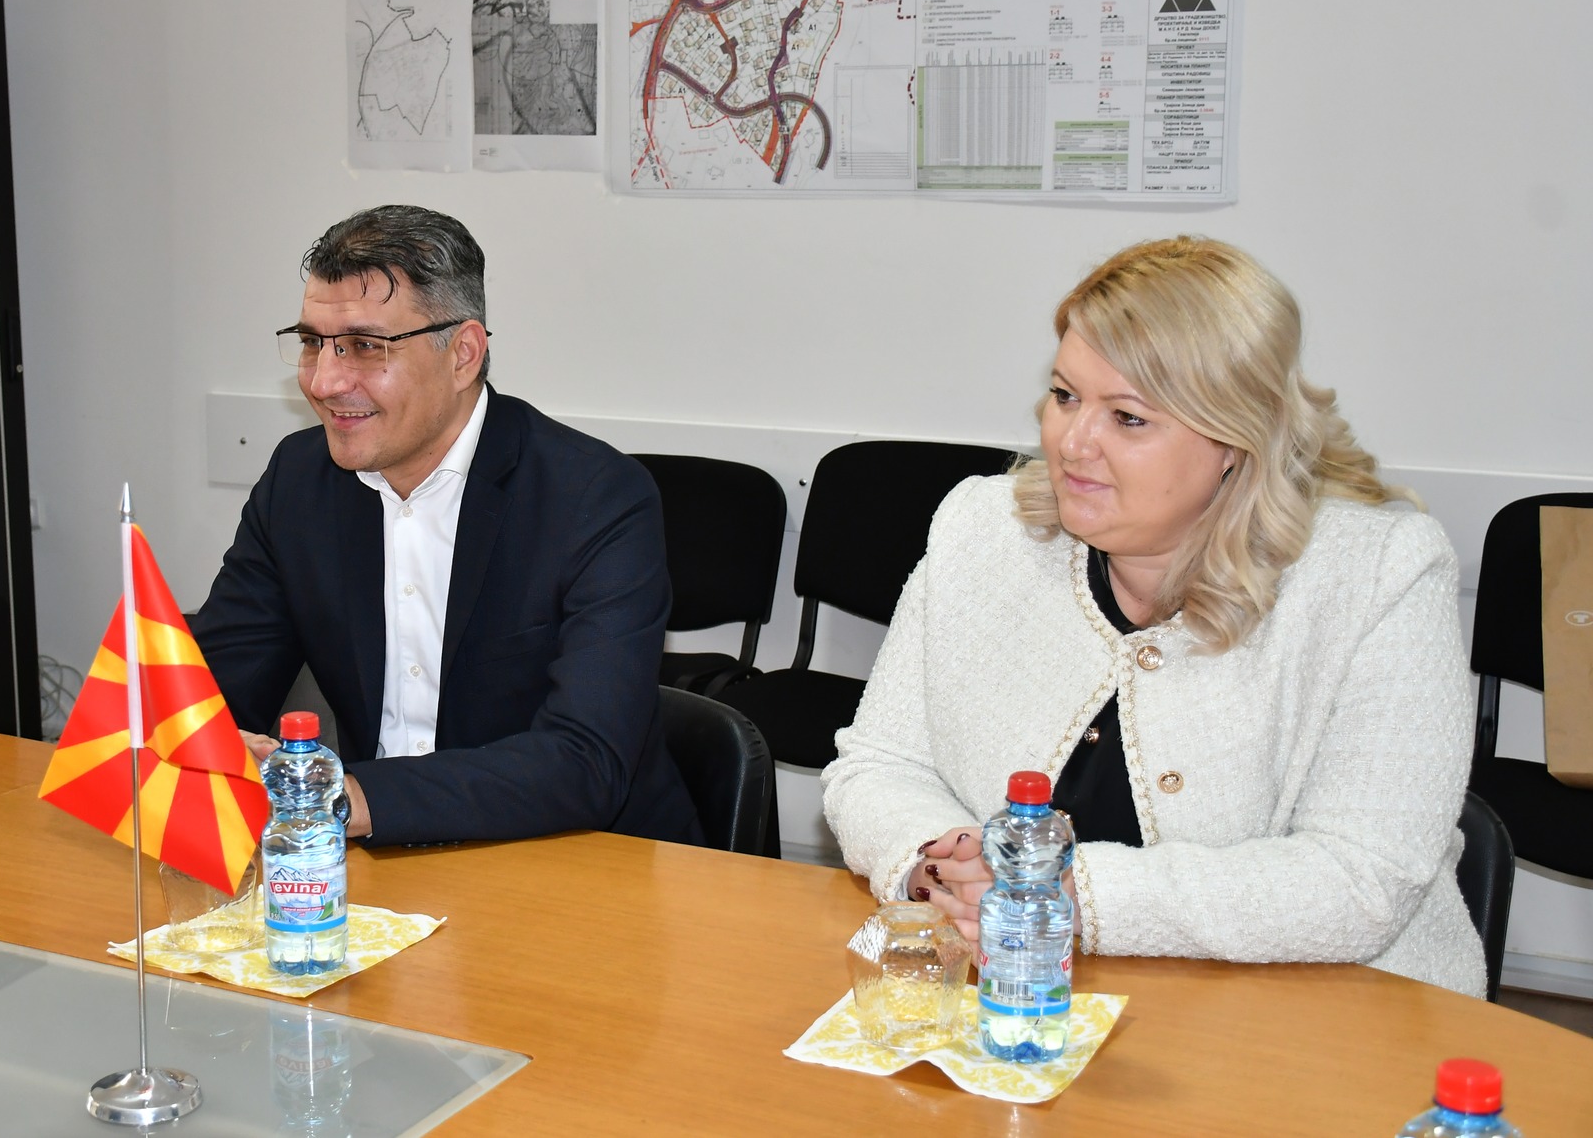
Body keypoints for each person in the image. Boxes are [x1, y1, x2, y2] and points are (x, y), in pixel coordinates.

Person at [822, 237, 1485, 996]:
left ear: (1236, 438)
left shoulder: (1378, 573)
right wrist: (939, 864)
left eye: (1128, 418)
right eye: (1065, 396)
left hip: (1324, 1010)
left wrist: (1071, 893)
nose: (1073, 443)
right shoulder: (981, 529)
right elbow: (878, 764)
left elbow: (1362, 877)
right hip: (1016, 994)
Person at [189, 205, 701, 848]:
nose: (324, 381)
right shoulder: (299, 481)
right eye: (314, 342)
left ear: (463, 354)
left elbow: (585, 761)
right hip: (371, 861)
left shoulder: (594, 498)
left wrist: (343, 798)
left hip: (577, 856)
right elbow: (211, 689)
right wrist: (190, 734)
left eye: (365, 347)